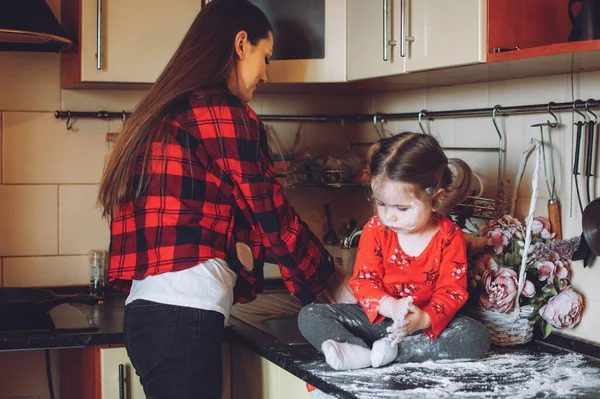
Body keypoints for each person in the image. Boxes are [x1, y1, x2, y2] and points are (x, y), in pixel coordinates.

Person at [97, 1, 349, 397]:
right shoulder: (221, 113)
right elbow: (271, 214)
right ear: (241, 44)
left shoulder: (165, 109)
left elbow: (236, 218)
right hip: (183, 317)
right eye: (266, 57)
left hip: (148, 314)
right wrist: (328, 278)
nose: (265, 74)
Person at [298, 132, 491, 371]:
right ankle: (355, 349)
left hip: (422, 328)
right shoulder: (376, 229)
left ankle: (396, 352)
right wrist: (390, 306)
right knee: (311, 314)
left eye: (401, 208)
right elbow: (364, 281)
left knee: (475, 336)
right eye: (381, 204)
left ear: (436, 198)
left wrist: (423, 319)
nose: (389, 215)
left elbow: (452, 291)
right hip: (377, 320)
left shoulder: (449, 236)